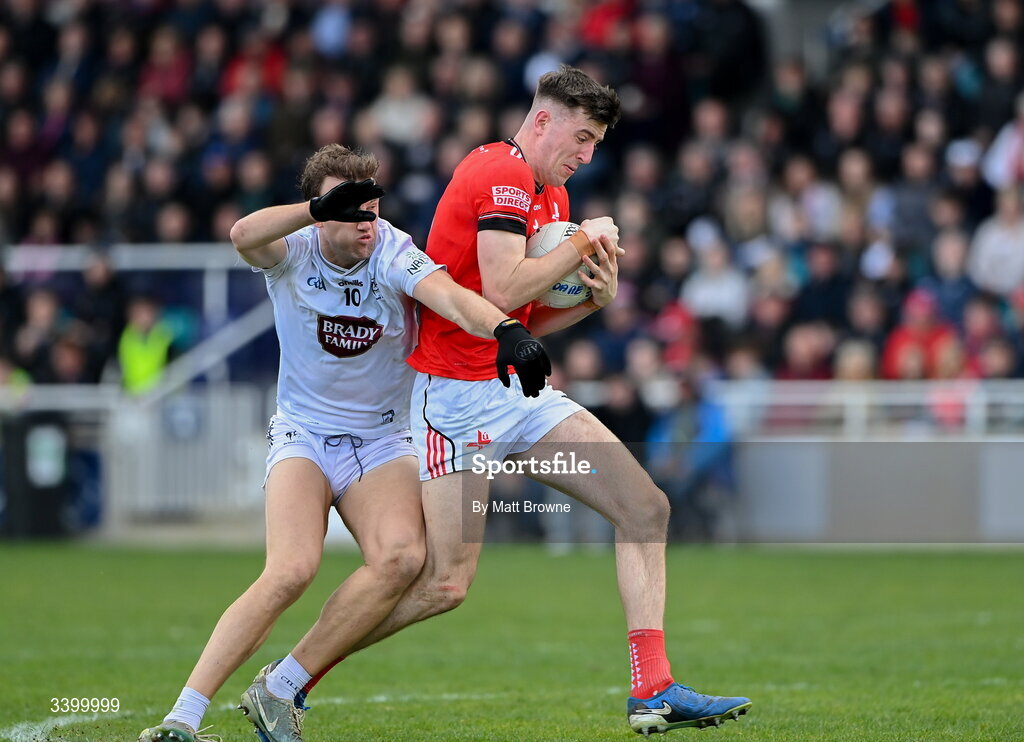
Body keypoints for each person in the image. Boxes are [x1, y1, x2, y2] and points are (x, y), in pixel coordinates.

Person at [267, 66, 752, 740]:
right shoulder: (500, 171)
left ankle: (653, 688)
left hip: (515, 395)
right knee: (444, 585)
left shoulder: (550, 198)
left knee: (645, 507)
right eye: (581, 138)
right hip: (455, 405)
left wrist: (593, 301)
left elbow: (521, 321)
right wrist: (584, 242)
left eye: (596, 145)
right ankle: (287, 680)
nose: (586, 155)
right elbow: (499, 290)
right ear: (544, 120)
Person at [137, 144, 550, 742]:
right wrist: (313, 210)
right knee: (290, 571)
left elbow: (454, 298)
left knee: (404, 558)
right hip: (303, 434)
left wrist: (505, 328)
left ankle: (284, 683)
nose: (366, 222)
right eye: (349, 210)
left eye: (371, 207)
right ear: (320, 210)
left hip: (382, 439)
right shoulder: (293, 250)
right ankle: (182, 718)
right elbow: (242, 234)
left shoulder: (393, 250)